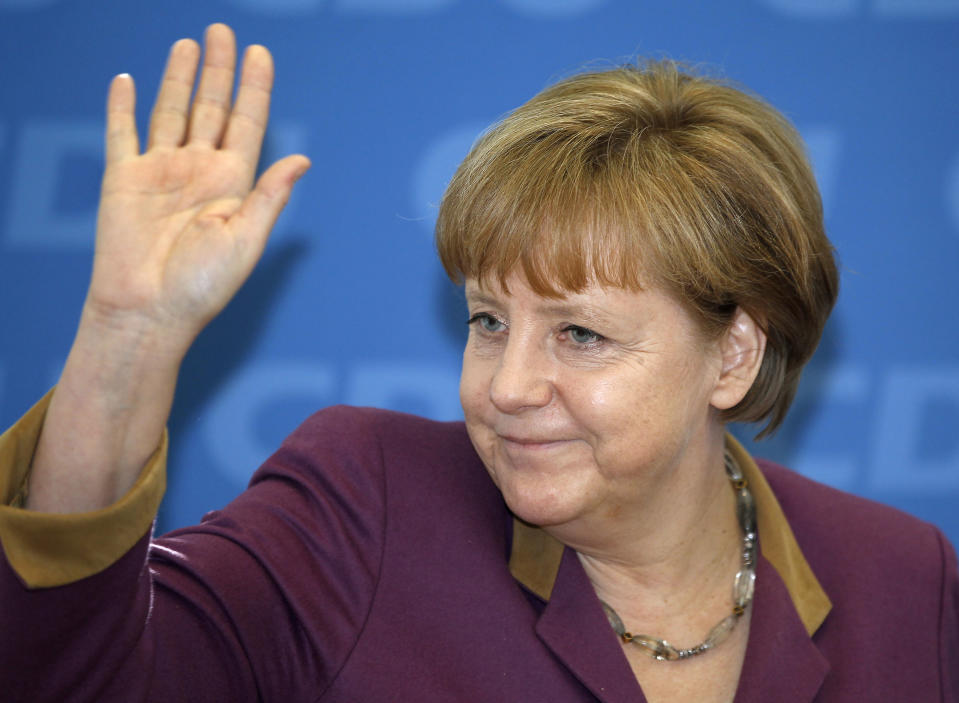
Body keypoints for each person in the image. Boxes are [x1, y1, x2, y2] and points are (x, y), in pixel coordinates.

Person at [0, 22, 956, 703]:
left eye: (579, 334)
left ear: (733, 354)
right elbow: (75, 676)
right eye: (488, 320)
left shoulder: (907, 582)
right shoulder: (363, 504)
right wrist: (127, 334)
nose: (503, 389)